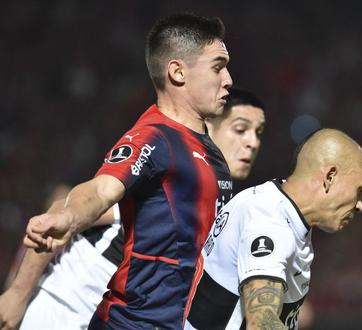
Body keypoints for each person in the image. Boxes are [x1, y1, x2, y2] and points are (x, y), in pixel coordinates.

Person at [22, 13, 233, 329]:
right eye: (217, 67)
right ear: (177, 72)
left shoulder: (210, 152)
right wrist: (67, 217)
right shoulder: (154, 136)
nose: (228, 78)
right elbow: (101, 189)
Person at [0, 87, 266, 330]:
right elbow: (59, 212)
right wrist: (16, 294)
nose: (252, 142)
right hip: (67, 309)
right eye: (240, 129)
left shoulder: (224, 204)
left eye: (259, 133)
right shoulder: (167, 172)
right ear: (207, 127)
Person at [186, 128, 362, 330]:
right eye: (360, 190)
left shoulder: (281, 210)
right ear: (330, 176)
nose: (360, 205)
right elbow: (261, 322)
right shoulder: (270, 221)